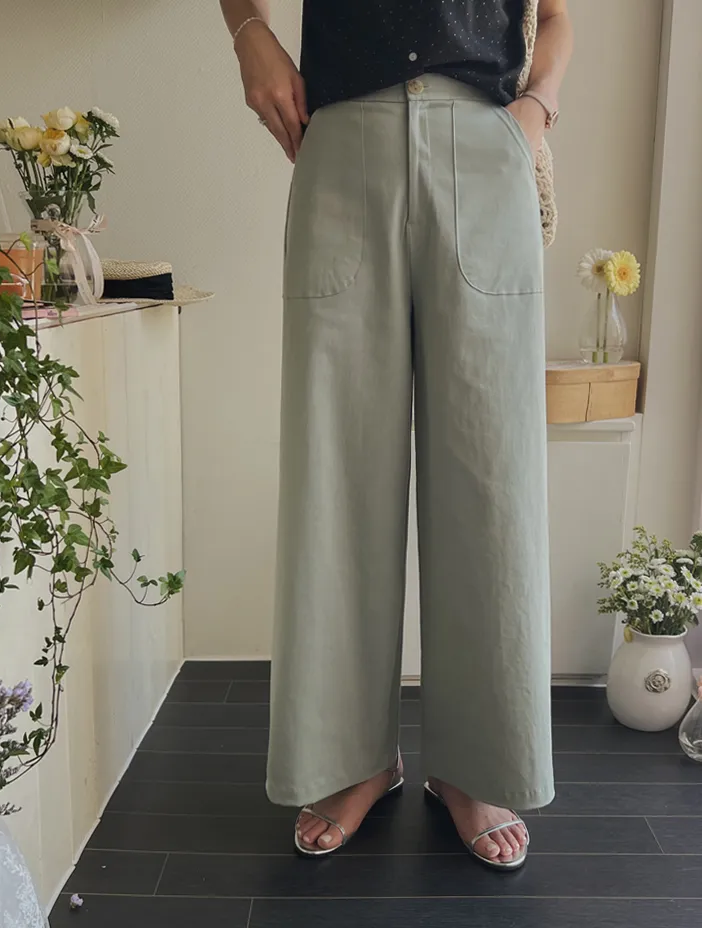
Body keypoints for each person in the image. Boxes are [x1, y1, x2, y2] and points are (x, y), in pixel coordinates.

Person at [221, 0, 573, 870]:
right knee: (335, 467)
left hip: (486, 137)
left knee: (490, 473)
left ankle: (476, 766)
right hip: (345, 138)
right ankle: (352, 760)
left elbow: (558, 13)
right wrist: (249, 32)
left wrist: (536, 108)